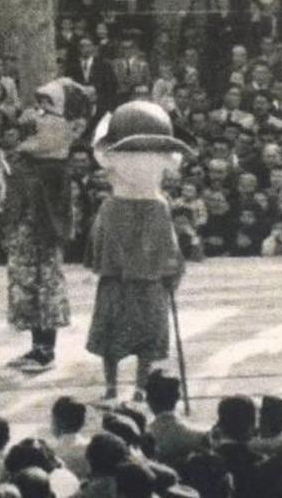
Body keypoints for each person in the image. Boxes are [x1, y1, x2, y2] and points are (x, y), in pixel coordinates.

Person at [85, 101, 193, 402]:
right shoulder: (163, 156)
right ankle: (141, 387)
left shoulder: (111, 154)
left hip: (120, 221)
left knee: (112, 318)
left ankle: (112, 387)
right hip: (149, 219)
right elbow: (177, 158)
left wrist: (106, 123)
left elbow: (98, 146)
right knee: (149, 318)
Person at [2, 78, 94, 372]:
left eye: (45, 109)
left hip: (44, 229)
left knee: (45, 283)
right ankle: (35, 344)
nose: (37, 116)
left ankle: (47, 348)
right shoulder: (29, 155)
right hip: (25, 229)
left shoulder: (55, 162)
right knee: (26, 283)